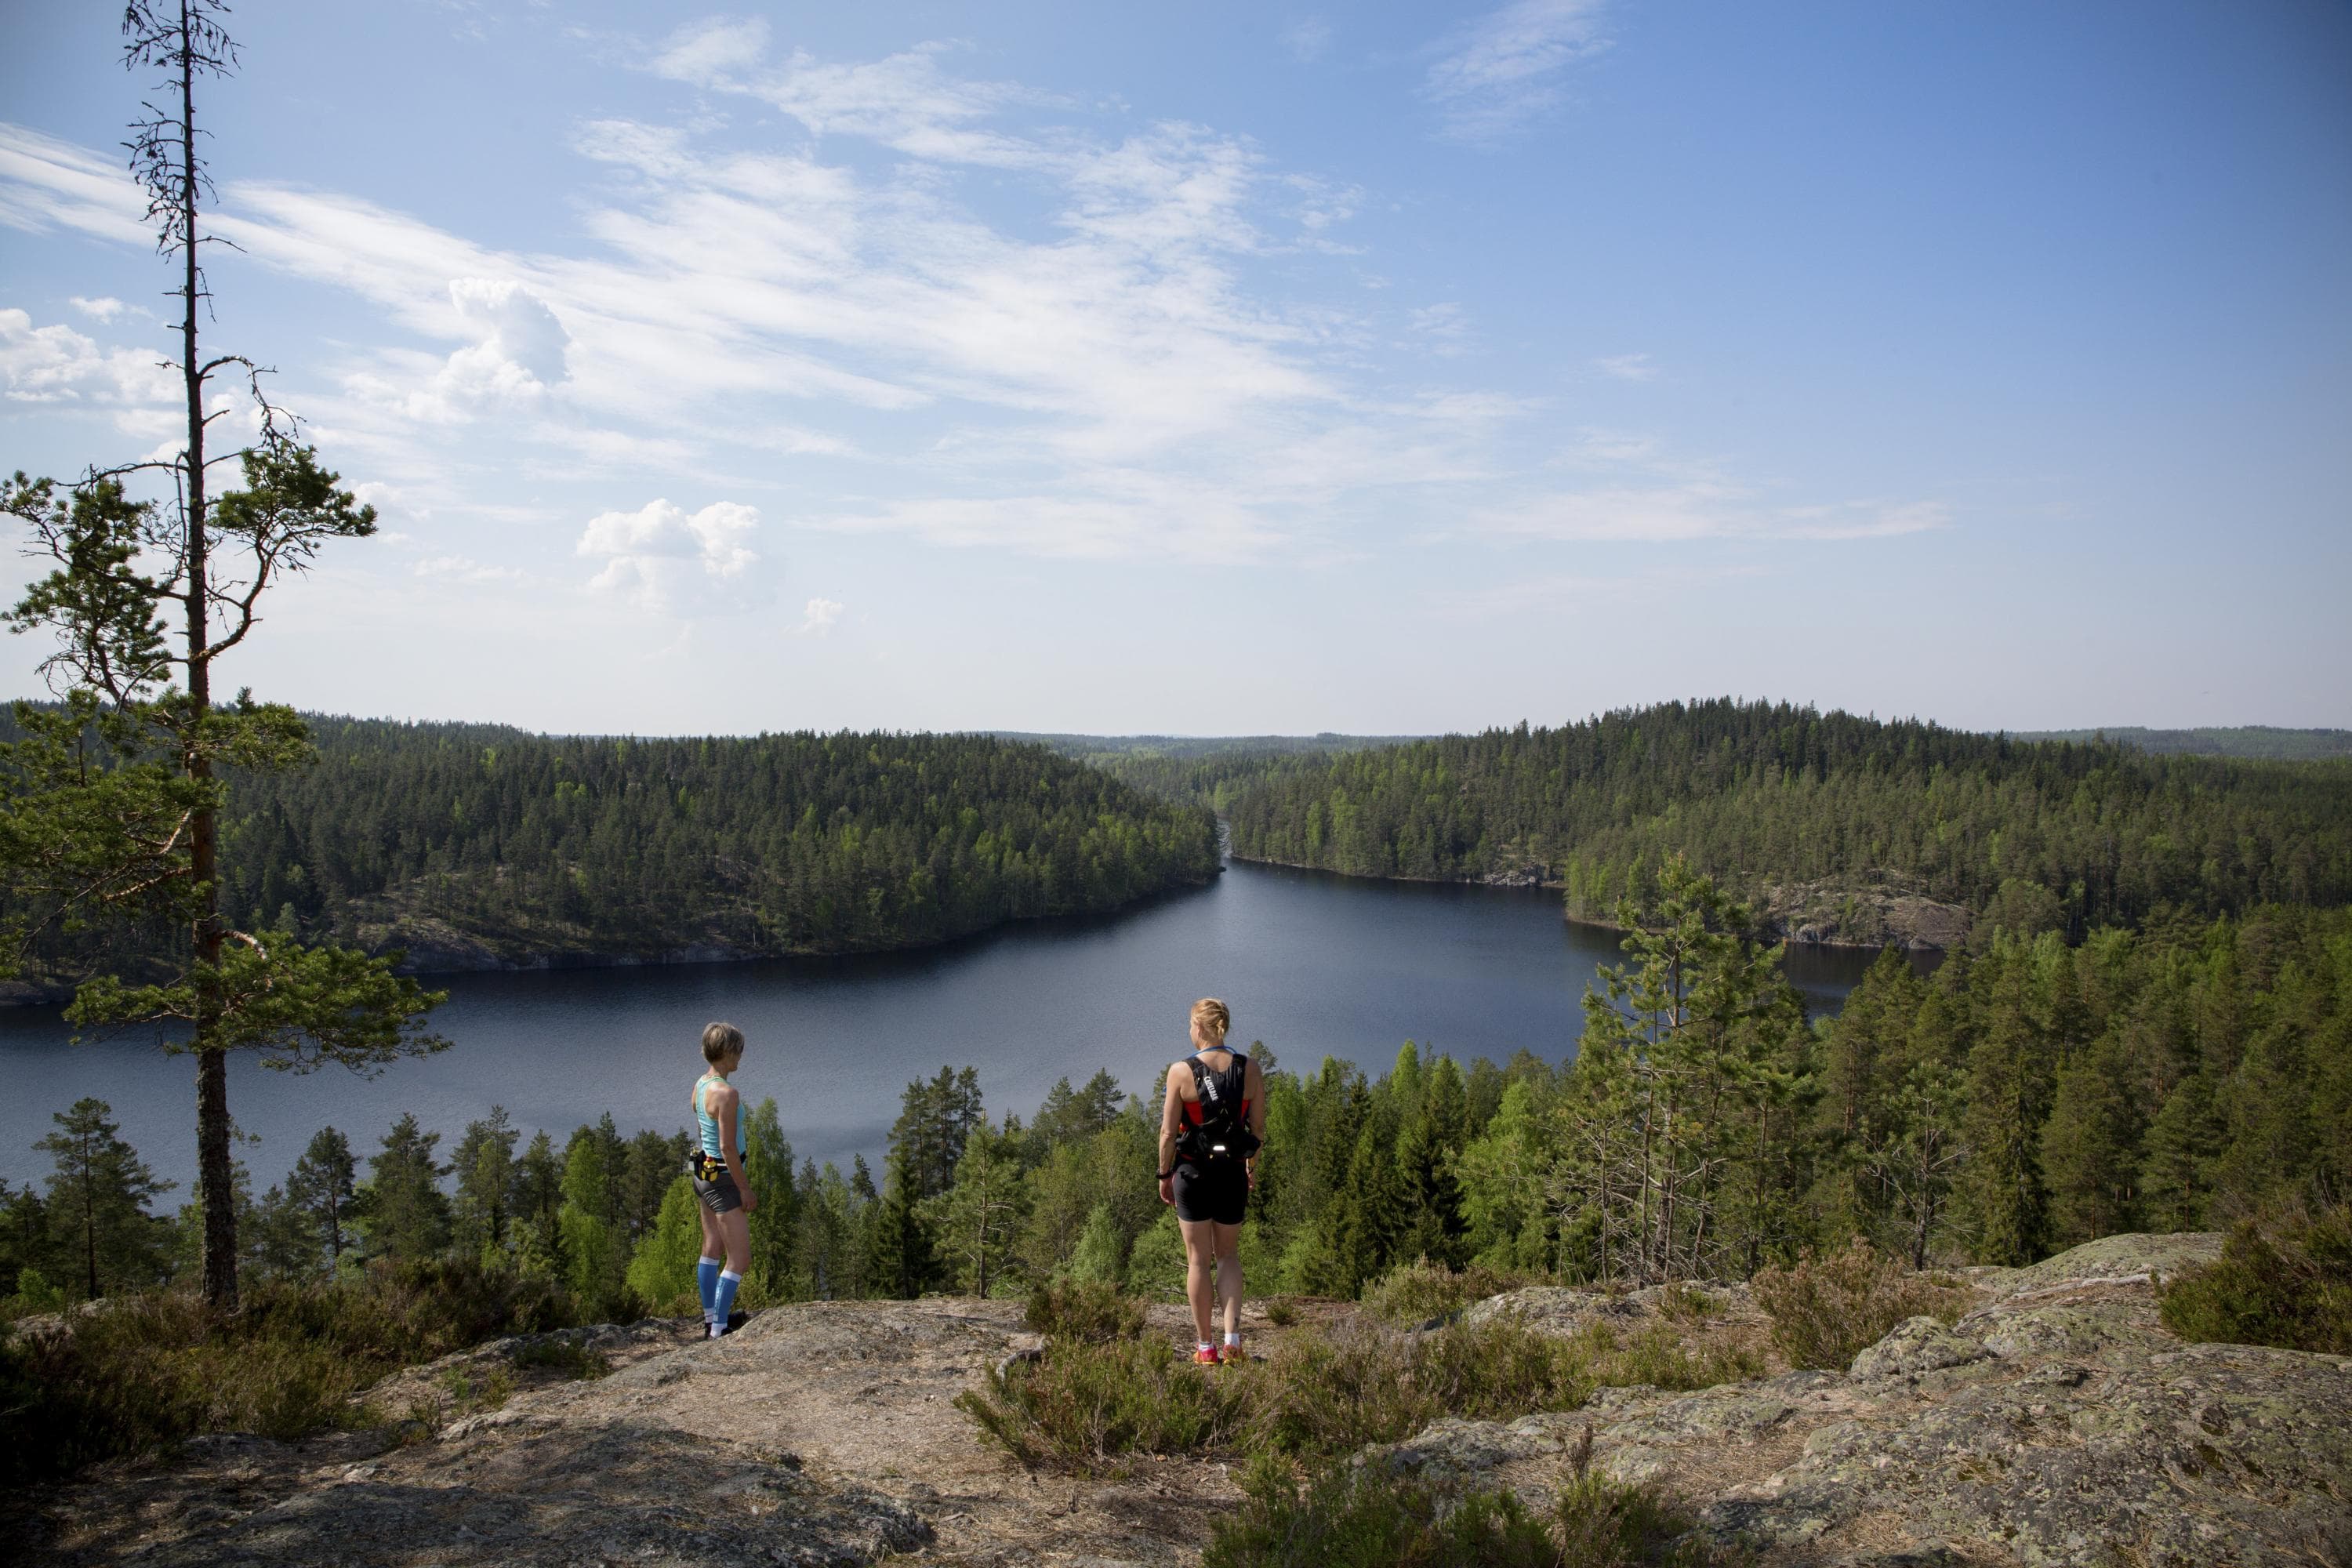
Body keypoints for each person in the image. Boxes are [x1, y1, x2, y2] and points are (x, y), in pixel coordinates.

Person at [1158, 996, 1265, 1364]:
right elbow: (1258, 1129)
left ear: (1200, 1028)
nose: (1189, 1031)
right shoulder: (1250, 1068)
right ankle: (1233, 1340)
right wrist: (1250, 1168)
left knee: (1198, 1261)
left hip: (1192, 1173)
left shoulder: (1180, 1072)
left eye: (1190, 1024)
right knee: (1229, 1256)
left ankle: (1206, 1349)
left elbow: (1168, 1134)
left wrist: (1163, 1174)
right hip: (1231, 1172)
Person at [689, 1021, 757, 1338]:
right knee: (740, 1258)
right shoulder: (728, 1094)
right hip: (724, 1179)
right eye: (739, 1050)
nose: (741, 1057)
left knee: (712, 1247)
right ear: (727, 1052)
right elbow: (728, 1146)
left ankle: (709, 1318)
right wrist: (744, 1188)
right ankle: (718, 1330)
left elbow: (698, 1116)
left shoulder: (701, 1084)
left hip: (703, 1173)